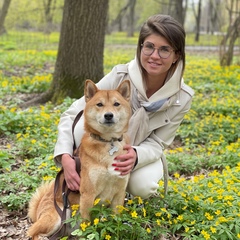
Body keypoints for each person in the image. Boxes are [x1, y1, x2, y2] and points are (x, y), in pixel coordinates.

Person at [54, 14, 194, 199]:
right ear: (141, 47)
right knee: (84, 126)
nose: (154, 56)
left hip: (137, 151)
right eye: (149, 47)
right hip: (104, 145)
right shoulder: (120, 75)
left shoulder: (181, 97)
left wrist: (136, 155)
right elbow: (72, 114)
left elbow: (158, 143)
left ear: (176, 55)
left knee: (144, 186)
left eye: (164, 50)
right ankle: (91, 179)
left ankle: (120, 190)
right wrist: (65, 156)